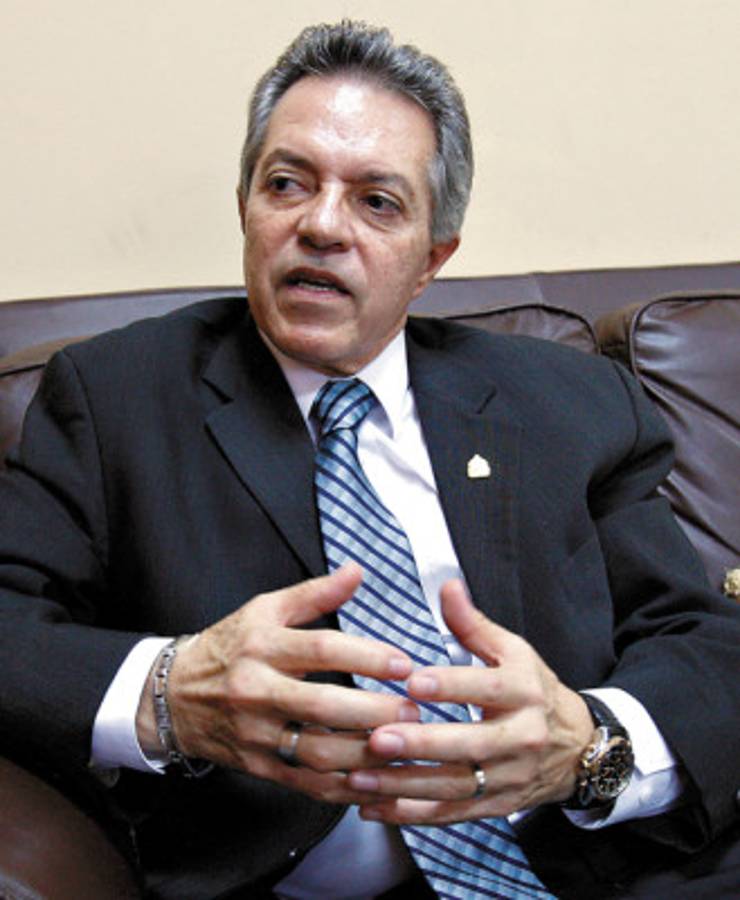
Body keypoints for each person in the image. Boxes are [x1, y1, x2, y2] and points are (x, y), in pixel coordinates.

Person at [1, 19, 739, 900]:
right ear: (246, 208)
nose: (321, 225)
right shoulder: (115, 396)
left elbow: (700, 639)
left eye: (377, 202)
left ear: (432, 260)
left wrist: (588, 747)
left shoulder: (570, 402)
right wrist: (168, 694)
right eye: (287, 184)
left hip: (601, 871)